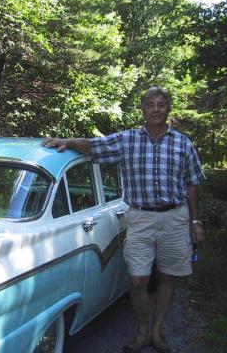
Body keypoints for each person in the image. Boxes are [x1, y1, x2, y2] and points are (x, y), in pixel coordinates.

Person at [42, 86, 205, 353]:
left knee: (167, 277)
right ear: (142, 109)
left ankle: (157, 331)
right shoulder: (127, 140)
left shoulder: (183, 143)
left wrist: (195, 222)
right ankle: (142, 332)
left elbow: (193, 184)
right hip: (139, 218)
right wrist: (68, 142)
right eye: (150, 104)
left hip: (176, 217)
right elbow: (93, 146)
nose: (155, 109)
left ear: (167, 109)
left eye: (160, 104)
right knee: (138, 279)